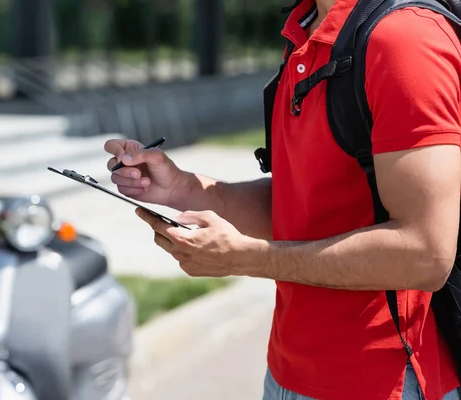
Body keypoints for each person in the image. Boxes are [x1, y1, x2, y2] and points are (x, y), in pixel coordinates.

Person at [103, 0, 461, 398]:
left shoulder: (403, 39)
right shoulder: (307, 29)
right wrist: (181, 188)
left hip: (381, 383)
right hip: (286, 375)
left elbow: (424, 253)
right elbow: (305, 205)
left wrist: (247, 259)